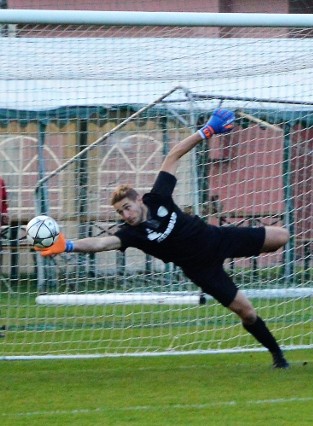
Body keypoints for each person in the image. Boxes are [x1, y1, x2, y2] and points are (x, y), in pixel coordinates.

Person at [36, 109, 291, 369]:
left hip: (217, 238)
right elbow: (101, 243)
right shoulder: (132, 234)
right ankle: (278, 356)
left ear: (138, 199)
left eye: (126, 207)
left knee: (282, 236)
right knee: (246, 312)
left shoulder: (158, 197)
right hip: (201, 269)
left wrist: (207, 131)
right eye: (120, 212)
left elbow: (174, 154)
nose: (125, 214)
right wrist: (67, 245)